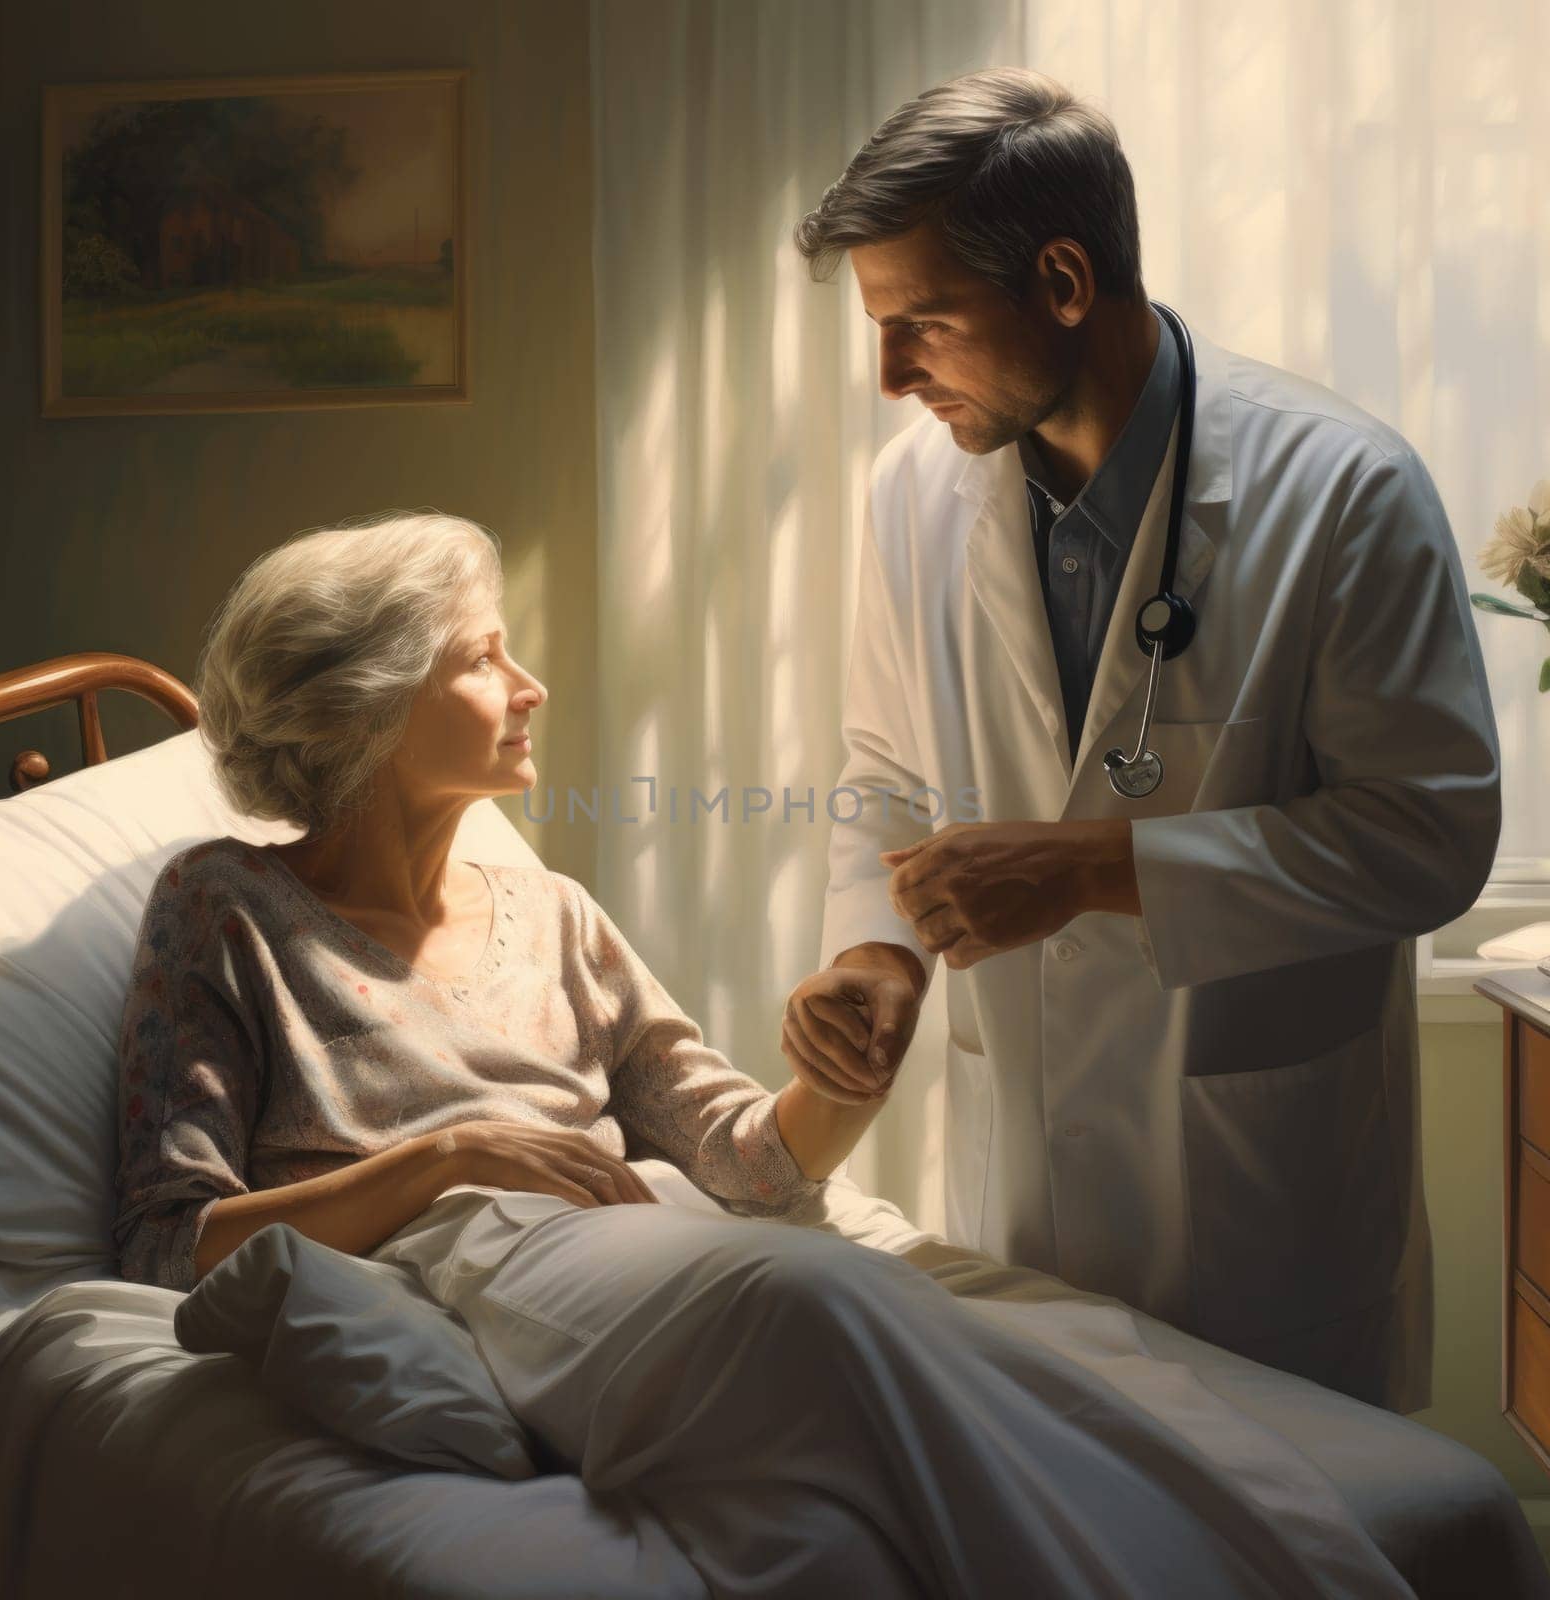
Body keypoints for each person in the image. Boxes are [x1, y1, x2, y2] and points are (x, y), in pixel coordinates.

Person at [109, 510, 1402, 1599]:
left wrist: (843, 1077)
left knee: (945, 1331)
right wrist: (445, 1159)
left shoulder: (551, 913)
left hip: (657, 1235)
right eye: (484, 658)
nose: (530, 686)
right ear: (371, 703)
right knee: (828, 1308)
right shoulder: (226, 908)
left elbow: (749, 1162)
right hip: (472, 1259)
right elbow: (172, 1244)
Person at [781, 66, 1501, 1415]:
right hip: (1024, 1216)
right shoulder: (913, 495)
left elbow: (1431, 840)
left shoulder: (1343, 492)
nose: (887, 380)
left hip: (1264, 1222)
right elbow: (883, 778)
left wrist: (1093, 869)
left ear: (1062, 281)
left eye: (921, 323)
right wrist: (876, 958)